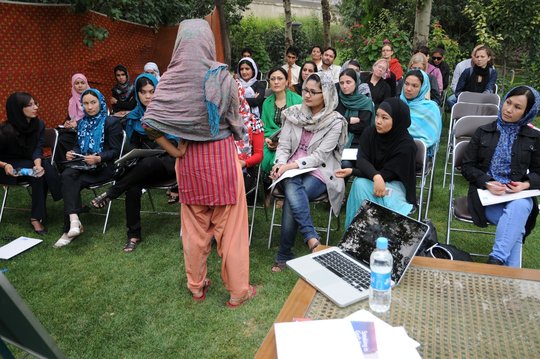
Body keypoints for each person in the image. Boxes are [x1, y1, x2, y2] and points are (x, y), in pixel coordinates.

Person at [141, 19, 255, 307]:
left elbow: (149, 123)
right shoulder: (224, 78)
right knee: (231, 234)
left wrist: (175, 151)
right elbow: (235, 120)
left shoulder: (168, 79)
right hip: (222, 161)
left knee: (194, 232)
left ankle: (196, 286)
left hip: (189, 161)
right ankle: (238, 291)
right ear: (208, 42)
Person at [90, 74, 177, 252]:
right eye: (143, 92)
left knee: (148, 163)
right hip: (143, 167)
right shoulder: (134, 117)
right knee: (133, 187)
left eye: (152, 92)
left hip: (168, 164)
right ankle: (133, 235)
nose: (148, 96)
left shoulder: (168, 113)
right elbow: (134, 145)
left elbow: (174, 145)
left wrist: (152, 134)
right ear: (137, 94)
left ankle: (111, 193)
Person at [270, 72, 347, 272]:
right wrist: (280, 164)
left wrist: (290, 167)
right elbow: (284, 146)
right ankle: (311, 238)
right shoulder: (293, 113)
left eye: (314, 92)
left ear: (327, 95)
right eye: (305, 90)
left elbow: (320, 156)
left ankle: (285, 253)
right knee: (293, 187)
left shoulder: (335, 121)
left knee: (293, 192)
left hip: (319, 170)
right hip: (290, 169)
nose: (307, 95)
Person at [461, 86, 540, 267]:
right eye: (508, 102)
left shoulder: (534, 137)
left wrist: (525, 185)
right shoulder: (484, 131)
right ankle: (502, 269)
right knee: (516, 226)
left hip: (517, 196)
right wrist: (487, 182)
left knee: (519, 208)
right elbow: (467, 166)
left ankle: (496, 260)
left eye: (517, 107)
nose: (508, 109)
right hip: (486, 198)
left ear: (528, 112)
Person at [54, 88, 123, 248]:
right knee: (69, 176)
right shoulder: (83, 123)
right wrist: (73, 153)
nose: (90, 107)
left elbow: (115, 151)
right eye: (86, 103)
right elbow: (79, 146)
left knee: (69, 178)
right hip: (85, 166)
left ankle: (71, 227)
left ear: (101, 102)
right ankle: (74, 221)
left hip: (105, 168)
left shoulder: (111, 122)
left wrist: (99, 157)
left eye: (93, 102)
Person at [336, 98, 417, 228]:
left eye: (385, 118)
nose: (378, 121)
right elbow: (361, 159)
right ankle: (357, 231)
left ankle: (369, 232)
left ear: (397, 120)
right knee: (359, 184)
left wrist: (355, 172)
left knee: (361, 184)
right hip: (373, 178)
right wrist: (375, 176)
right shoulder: (370, 132)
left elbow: (388, 174)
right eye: (377, 115)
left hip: (396, 186)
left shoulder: (407, 145)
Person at [0, 92, 62, 234]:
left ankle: (36, 218)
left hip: (27, 164)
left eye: (35, 103)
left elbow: (38, 148)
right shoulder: (5, 131)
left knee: (40, 171)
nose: (35, 107)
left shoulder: (38, 125)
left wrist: (38, 164)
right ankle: (65, 197)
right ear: (18, 109)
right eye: (30, 105)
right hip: (6, 168)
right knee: (45, 168)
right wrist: (5, 165)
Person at [261, 66, 302, 176]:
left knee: (279, 158)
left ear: (287, 81)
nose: (276, 82)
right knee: (263, 157)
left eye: (280, 78)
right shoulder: (267, 103)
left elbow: (301, 127)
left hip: (292, 142)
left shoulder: (298, 100)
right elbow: (264, 128)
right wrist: (270, 140)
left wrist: (281, 141)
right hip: (270, 141)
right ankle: (267, 187)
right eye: (273, 79)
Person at [400, 70, 442, 157]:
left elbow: (430, 138)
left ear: (423, 87)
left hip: (417, 153)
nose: (408, 89)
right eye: (406, 84)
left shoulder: (431, 108)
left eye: (414, 86)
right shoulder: (397, 105)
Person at [235, 80, 264, 196]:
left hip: (244, 168)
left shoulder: (253, 121)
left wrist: (243, 163)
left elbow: (259, 155)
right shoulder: (216, 121)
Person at [336, 68, 375, 150]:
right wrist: (349, 120)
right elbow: (331, 120)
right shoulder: (336, 99)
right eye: (341, 83)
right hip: (334, 140)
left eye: (348, 82)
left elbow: (363, 127)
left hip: (357, 143)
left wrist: (342, 122)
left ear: (356, 82)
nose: (344, 86)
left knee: (346, 163)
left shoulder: (365, 102)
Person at [56, 73, 90, 163]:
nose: (80, 86)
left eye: (82, 83)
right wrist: (66, 123)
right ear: (73, 85)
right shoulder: (72, 100)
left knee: (64, 140)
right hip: (75, 130)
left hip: (89, 129)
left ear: (86, 83)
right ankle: (63, 164)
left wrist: (78, 123)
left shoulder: (92, 98)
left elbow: (94, 117)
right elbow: (71, 116)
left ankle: (75, 162)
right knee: (59, 138)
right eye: (77, 83)